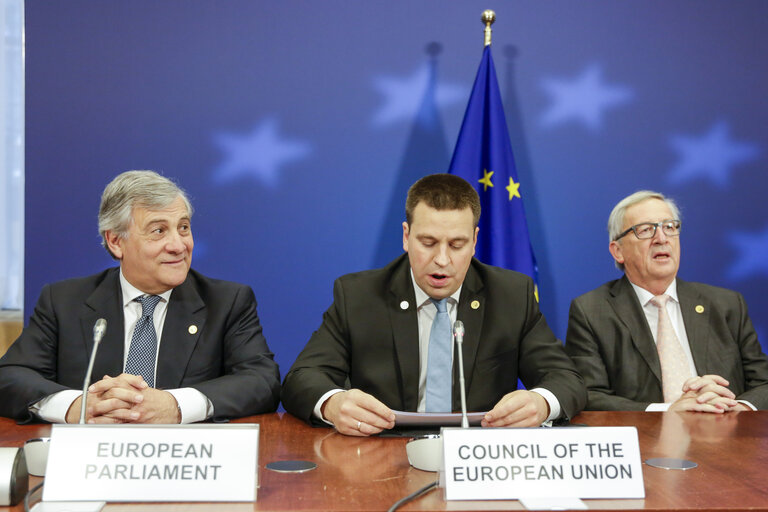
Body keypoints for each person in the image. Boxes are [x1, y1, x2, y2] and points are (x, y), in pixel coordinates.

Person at [282, 173, 586, 436]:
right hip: (385, 447)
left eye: (456, 244)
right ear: (406, 236)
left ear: (475, 240)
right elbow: (301, 378)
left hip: (480, 453)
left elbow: (565, 379)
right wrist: (334, 404)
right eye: (428, 243)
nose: (442, 260)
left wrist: (541, 403)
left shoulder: (511, 294)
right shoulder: (359, 295)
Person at [0, 170, 280, 423]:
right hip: (90, 465)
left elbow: (262, 381)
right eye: (159, 231)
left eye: (183, 227)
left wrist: (175, 405)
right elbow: (10, 377)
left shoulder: (226, 302)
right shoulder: (64, 301)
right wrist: (78, 406)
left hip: (184, 465)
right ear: (115, 241)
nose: (178, 245)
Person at [566, 190, 768, 412]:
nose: (661, 239)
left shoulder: (726, 304)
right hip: (648, 440)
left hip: (726, 436)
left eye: (669, 227)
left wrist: (738, 407)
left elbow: (763, 382)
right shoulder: (592, 311)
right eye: (645, 230)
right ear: (618, 251)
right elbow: (589, 396)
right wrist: (666, 412)